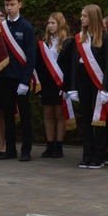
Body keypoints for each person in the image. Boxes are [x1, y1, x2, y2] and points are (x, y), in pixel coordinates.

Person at [66, 4, 108, 170]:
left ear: (93, 17)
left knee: (98, 121)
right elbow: (72, 65)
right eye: (81, 15)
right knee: (85, 120)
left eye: (84, 16)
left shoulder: (106, 37)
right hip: (83, 83)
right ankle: (87, 154)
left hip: (98, 83)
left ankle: (98, 156)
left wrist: (106, 88)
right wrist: (72, 88)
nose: (81, 19)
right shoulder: (79, 38)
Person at [0, 0, 36, 161]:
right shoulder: (0, 28)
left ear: (20, 5)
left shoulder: (27, 27)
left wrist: (25, 81)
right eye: (7, 5)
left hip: (20, 79)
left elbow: (31, 57)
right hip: (4, 78)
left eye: (12, 4)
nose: (9, 8)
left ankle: (26, 150)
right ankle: (10, 149)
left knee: (24, 116)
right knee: (8, 115)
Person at [35, 12, 74, 159]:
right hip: (47, 84)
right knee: (48, 115)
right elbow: (39, 65)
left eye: (53, 23)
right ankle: (49, 144)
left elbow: (70, 66)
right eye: (49, 23)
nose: (50, 26)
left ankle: (59, 145)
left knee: (60, 115)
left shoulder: (68, 42)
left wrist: (68, 86)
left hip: (61, 84)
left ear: (60, 24)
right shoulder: (44, 43)